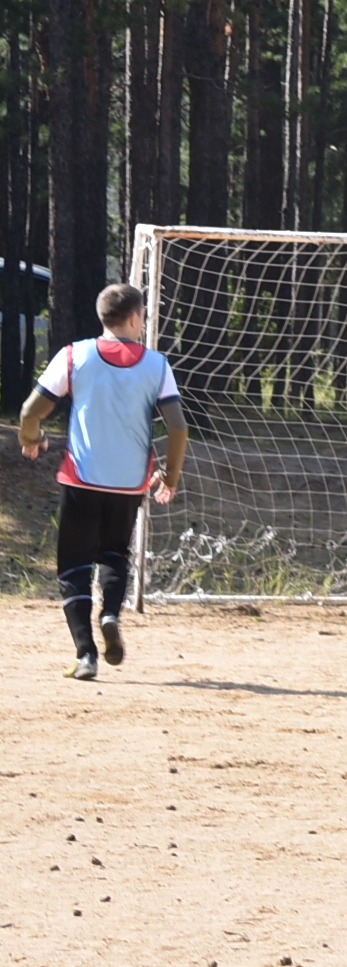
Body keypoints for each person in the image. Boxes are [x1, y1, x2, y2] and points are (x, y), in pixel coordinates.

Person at [17, 284, 188, 680]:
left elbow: (30, 412)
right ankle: (110, 613)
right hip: (129, 484)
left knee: (73, 567)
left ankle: (85, 655)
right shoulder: (157, 365)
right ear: (132, 318)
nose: (143, 321)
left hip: (81, 479)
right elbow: (178, 428)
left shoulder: (74, 355)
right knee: (114, 555)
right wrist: (170, 475)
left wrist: (33, 440)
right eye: (143, 314)